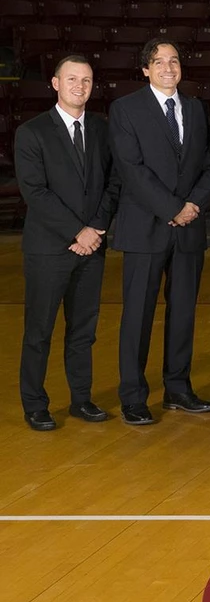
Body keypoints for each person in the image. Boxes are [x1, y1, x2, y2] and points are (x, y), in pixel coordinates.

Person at [109, 38, 210, 425]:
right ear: (145, 69)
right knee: (137, 314)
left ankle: (178, 388)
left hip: (188, 228)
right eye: (159, 62)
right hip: (145, 227)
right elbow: (131, 168)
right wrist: (173, 207)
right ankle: (133, 395)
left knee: (184, 313)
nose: (168, 68)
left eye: (174, 61)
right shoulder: (125, 109)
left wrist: (192, 206)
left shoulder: (194, 107)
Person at [16, 55, 120, 431]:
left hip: (92, 248)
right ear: (55, 84)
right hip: (49, 249)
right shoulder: (32, 132)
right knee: (39, 331)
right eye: (72, 79)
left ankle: (81, 399)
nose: (80, 86)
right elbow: (35, 192)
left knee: (83, 331)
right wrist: (78, 232)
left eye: (87, 80)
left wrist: (95, 229)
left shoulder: (102, 129)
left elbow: (113, 184)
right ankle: (35, 404)